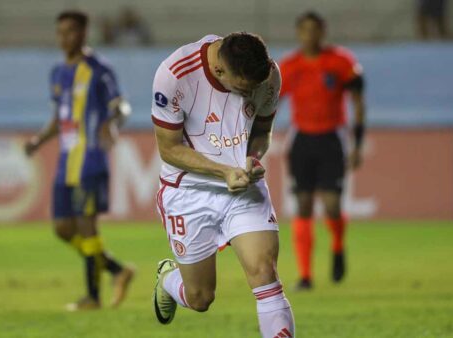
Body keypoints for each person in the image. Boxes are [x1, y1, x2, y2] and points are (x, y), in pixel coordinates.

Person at [151, 32, 295, 338]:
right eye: (242, 90)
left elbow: (262, 132)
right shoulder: (175, 75)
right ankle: (167, 280)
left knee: (264, 273)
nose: (249, 96)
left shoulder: (267, 75)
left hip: (242, 189)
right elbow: (169, 149)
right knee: (201, 297)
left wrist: (252, 159)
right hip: (188, 191)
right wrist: (223, 172)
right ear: (218, 71)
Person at [24, 10, 135, 311]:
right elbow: (58, 119)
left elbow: (121, 105)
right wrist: (37, 141)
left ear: (84, 33)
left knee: (87, 227)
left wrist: (113, 121)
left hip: (90, 160)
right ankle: (116, 270)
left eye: (71, 31)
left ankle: (93, 298)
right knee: (62, 228)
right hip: (65, 162)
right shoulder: (57, 73)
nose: (64, 38)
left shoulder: (99, 69)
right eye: (60, 32)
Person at [279, 11, 367, 290]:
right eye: (304, 30)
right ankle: (305, 276)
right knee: (303, 205)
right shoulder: (289, 66)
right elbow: (271, 102)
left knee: (331, 206)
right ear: (298, 33)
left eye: (314, 30)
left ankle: (338, 246)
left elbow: (358, 102)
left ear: (322, 32)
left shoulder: (341, 62)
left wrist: (357, 144)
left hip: (331, 139)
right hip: (302, 140)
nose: (309, 35)